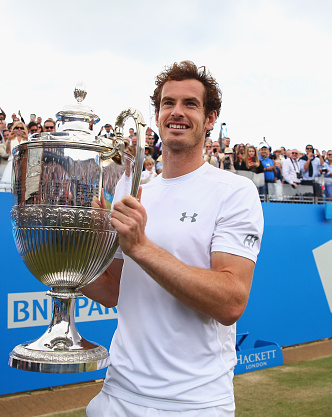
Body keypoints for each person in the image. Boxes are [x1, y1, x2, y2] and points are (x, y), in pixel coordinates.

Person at [83, 60, 263, 416]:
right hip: (117, 394)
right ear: (156, 114)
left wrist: (142, 247)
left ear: (210, 119)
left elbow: (231, 302)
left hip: (193, 403)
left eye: (190, 104)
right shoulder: (131, 188)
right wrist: (64, 261)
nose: (177, 112)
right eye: (168, 103)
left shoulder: (234, 191)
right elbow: (113, 291)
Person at [0, 122, 28, 190]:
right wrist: (9, 139)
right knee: (8, 182)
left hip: (23, 163)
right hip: (12, 162)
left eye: (21, 128)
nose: (19, 129)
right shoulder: (11, 139)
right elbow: (8, 151)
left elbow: (28, 151)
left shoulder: (27, 139)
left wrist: (26, 138)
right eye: (17, 128)